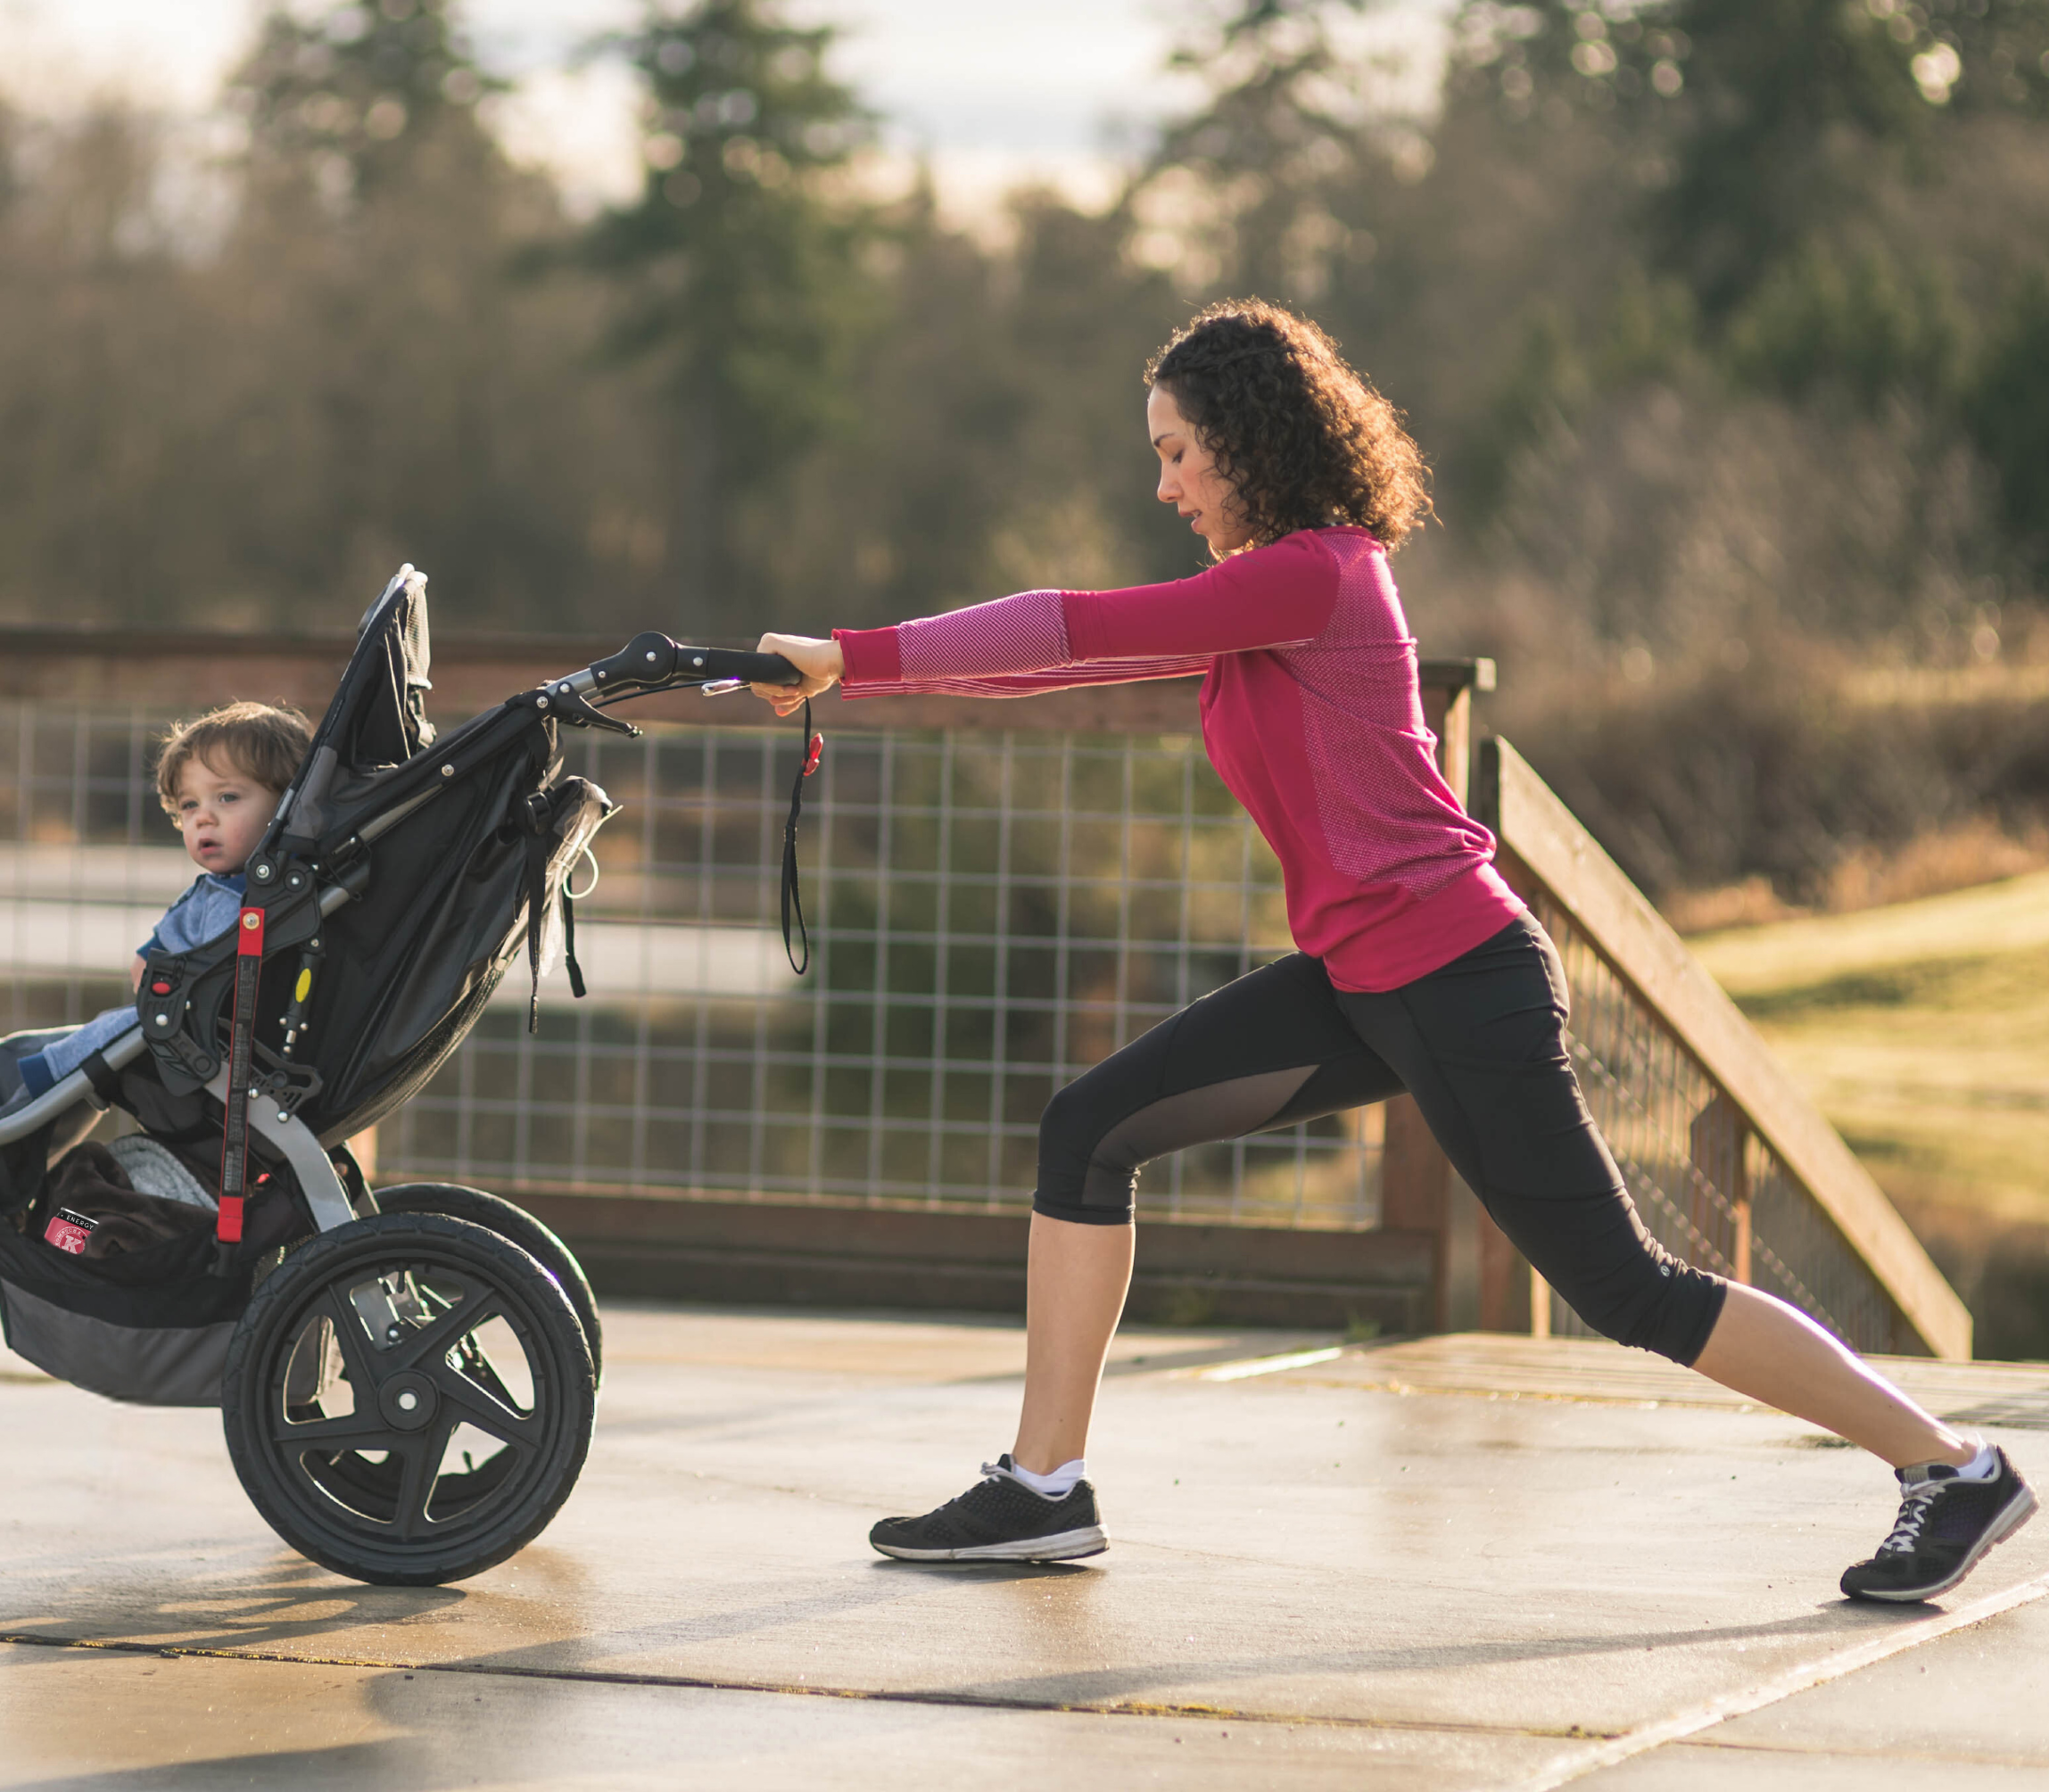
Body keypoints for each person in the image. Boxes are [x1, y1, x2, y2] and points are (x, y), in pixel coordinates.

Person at [747, 300, 2034, 1603]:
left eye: (1181, 450)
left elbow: (1077, 624)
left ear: (1254, 440)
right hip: (1365, 985)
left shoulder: (1317, 574)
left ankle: (1952, 1468)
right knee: (1089, 1128)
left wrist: (849, 654)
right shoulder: (1266, 594)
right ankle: (1042, 1490)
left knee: (1628, 1290)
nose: (1165, 483)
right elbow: (1058, 665)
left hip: (1455, 980)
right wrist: (851, 677)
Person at [0, 700, 313, 1127]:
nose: (203, 819)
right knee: (100, 1036)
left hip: (202, 1037)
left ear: (287, 804)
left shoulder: (260, 900)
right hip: (176, 1018)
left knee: (107, 1043)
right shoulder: (222, 888)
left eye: (227, 797)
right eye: (189, 806)